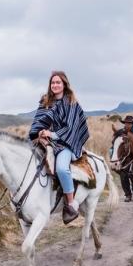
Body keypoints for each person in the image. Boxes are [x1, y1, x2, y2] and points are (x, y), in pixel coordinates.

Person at [29, 71, 89, 224]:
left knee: (62, 169)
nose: (55, 85)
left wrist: (52, 134)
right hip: (46, 142)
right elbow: (38, 121)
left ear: (64, 84)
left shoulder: (71, 103)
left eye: (58, 82)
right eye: (53, 83)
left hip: (65, 143)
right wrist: (40, 133)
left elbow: (72, 128)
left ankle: (70, 204)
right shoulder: (45, 101)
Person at [118, 115, 133, 202]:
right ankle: (128, 194)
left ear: (132, 124)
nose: (127, 125)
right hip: (124, 157)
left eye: (129, 123)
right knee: (123, 175)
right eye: (126, 123)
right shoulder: (121, 132)